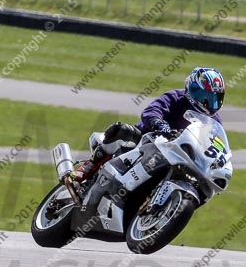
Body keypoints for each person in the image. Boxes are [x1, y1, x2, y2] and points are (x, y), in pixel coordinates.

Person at [71, 66, 225, 183]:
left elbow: (216, 143)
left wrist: (219, 159)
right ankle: (88, 166)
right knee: (121, 130)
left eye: (215, 98)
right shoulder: (176, 97)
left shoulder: (214, 121)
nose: (210, 103)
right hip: (145, 140)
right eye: (205, 97)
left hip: (176, 155)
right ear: (193, 89)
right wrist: (160, 124)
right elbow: (151, 111)